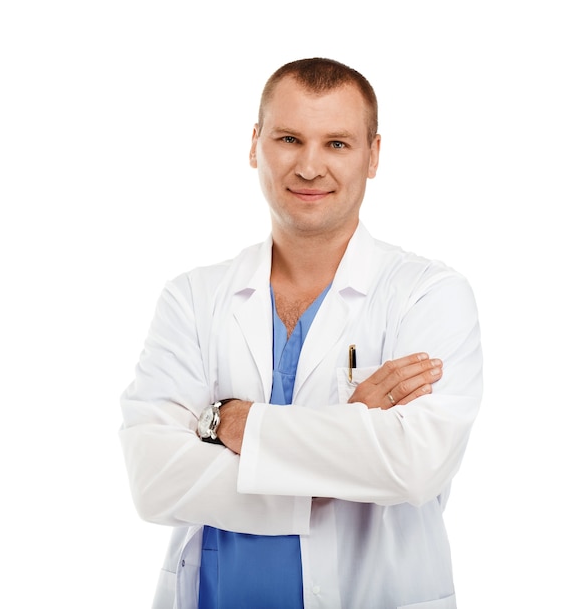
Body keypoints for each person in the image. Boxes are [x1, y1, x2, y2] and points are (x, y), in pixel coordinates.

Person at [119, 58, 483, 609]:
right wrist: (345, 444)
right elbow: (153, 480)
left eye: (337, 143)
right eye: (289, 138)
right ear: (254, 145)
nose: (310, 167)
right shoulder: (193, 298)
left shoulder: (428, 295)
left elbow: (413, 465)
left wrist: (236, 424)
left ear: (374, 155)